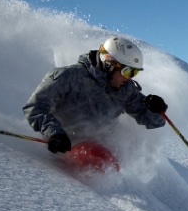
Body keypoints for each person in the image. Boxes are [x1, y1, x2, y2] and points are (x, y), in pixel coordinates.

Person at [23, 36, 168, 153]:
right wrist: (54, 133)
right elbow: (35, 106)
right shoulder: (69, 76)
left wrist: (156, 110)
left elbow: (152, 122)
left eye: (134, 73)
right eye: (128, 72)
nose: (129, 78)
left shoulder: (125, 89)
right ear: (110, 64)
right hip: (65, 146)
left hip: (100, 150)